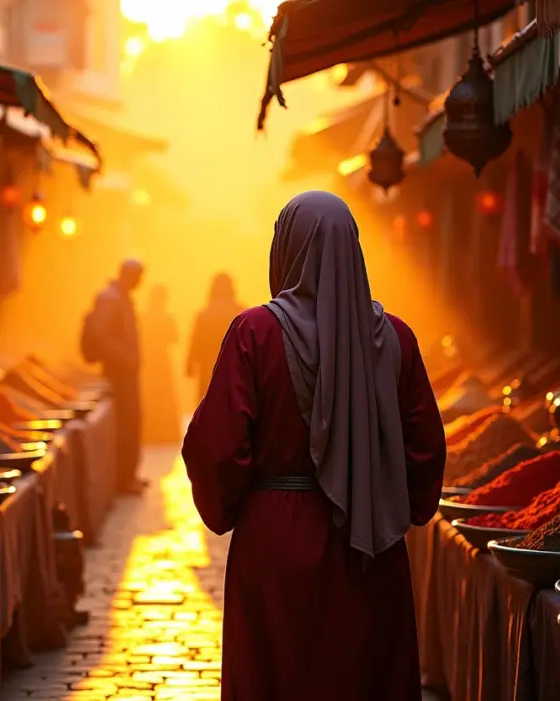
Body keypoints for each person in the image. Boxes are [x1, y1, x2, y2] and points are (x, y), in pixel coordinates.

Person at [182, 191, 446, 700]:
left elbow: (217, 448)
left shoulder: (254, 333)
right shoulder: (397, 339)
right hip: (370, 547)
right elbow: (426, 453)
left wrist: (236, 504)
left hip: (276, 542)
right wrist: (387, 501)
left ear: (286, 249)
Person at [87, 259, 148, 495]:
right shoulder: (110, 298)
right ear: (129, 275)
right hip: (118, 374)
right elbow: (100, 335)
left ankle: (129, 475)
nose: (140, 282)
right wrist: (123, 358)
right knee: (125, 426)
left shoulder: (120, 297)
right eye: (138, 276)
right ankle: (123, 480)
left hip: (127, 373)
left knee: (132, 423)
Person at [187, 273, 244, 403]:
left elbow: (196, 340)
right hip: (235, 369)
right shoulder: (240, 312)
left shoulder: (205, 314)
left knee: (208, 406)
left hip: (209, 367)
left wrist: (190, 363)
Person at [140, 285, 182, 443]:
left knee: (151, 395)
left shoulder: (144, 317)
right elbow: (175, 338)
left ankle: (150, 435)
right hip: (162, 361)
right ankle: (167, 435)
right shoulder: (166, 317)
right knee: (165, 396)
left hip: (150, 361)